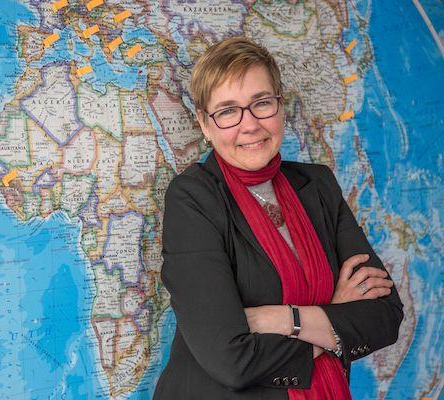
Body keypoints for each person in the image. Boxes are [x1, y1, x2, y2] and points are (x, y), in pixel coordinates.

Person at [153, 36, 403, 399]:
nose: (250, 124)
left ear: (280, 106)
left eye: (262, 103)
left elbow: (384, 316)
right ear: (205, 125)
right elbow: (232, 361)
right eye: (227, 111)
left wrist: (278, 319)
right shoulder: (194, 197)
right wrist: (332, 316)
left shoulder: (317, 185)